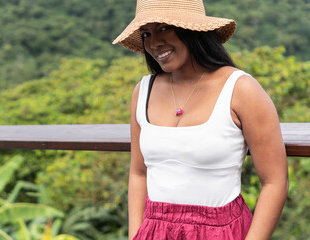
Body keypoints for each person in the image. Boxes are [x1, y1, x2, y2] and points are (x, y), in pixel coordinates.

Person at [113, 0, 289, 239]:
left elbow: (275, 182)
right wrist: (137, 235)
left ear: (192, 29)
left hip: (223, 231)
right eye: (146, 34)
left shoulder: (240, 89)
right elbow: (138, 174)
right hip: (154, 231)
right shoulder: (143, 91)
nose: (154, 43)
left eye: (165, 28)